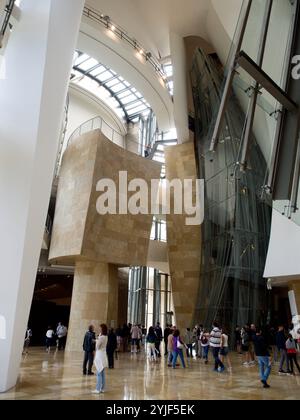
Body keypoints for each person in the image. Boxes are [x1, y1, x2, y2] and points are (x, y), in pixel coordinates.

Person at [92, 324, 108, 394]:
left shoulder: (101, 337)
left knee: (99, 373)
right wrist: (97, 340)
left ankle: (98, 389)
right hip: (103, 355)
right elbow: (100, 342)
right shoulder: (105, 337)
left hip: (100, 356)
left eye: (100, 328)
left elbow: (97, 347)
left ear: (102, 329)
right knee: (102, 374)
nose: (99, 329)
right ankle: (102, 388)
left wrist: (97, 339)